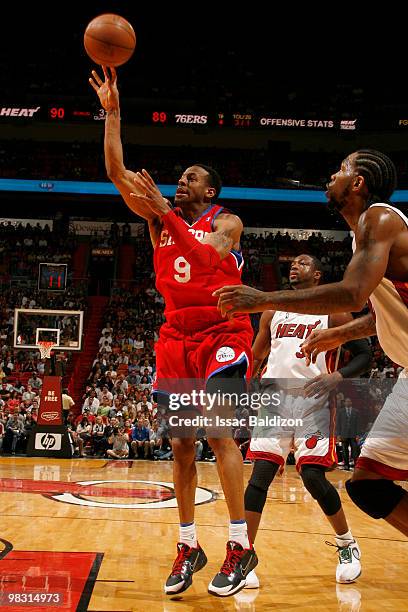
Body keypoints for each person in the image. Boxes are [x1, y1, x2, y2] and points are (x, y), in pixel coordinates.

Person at [90, 66, 257, 597]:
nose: (180, 182)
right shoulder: (159, 220)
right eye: (179, 178)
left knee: (217, 432)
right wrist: (113, 110)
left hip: (223, 332)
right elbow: (116, 170)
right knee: (181, 446)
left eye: (191, 178)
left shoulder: (227, 221)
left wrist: (169, 212)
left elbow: (209, 261)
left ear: (209, 190)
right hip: (175, 338)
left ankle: (240, 546)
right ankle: (189, 544)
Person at [215, 149, 408, 538]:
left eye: (341, 169)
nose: (331, 176)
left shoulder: (380, 217)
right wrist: (342, 333)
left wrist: (263, 298)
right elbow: (388, 314)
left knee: (335, 479)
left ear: (358, 183)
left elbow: (352, 294)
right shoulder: (365, 235)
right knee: (367, 483)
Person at [243, 254, 371, 588]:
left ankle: (347, 544)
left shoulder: (332, 311)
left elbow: (364, 352)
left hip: (313, 399)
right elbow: (257, 355)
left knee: (313, 477)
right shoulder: (272, 311)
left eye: (302, 263)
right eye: (292, 264)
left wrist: (337, 377)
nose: (294, 266)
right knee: (259, 477)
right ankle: (243, 555)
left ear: (317, 275)